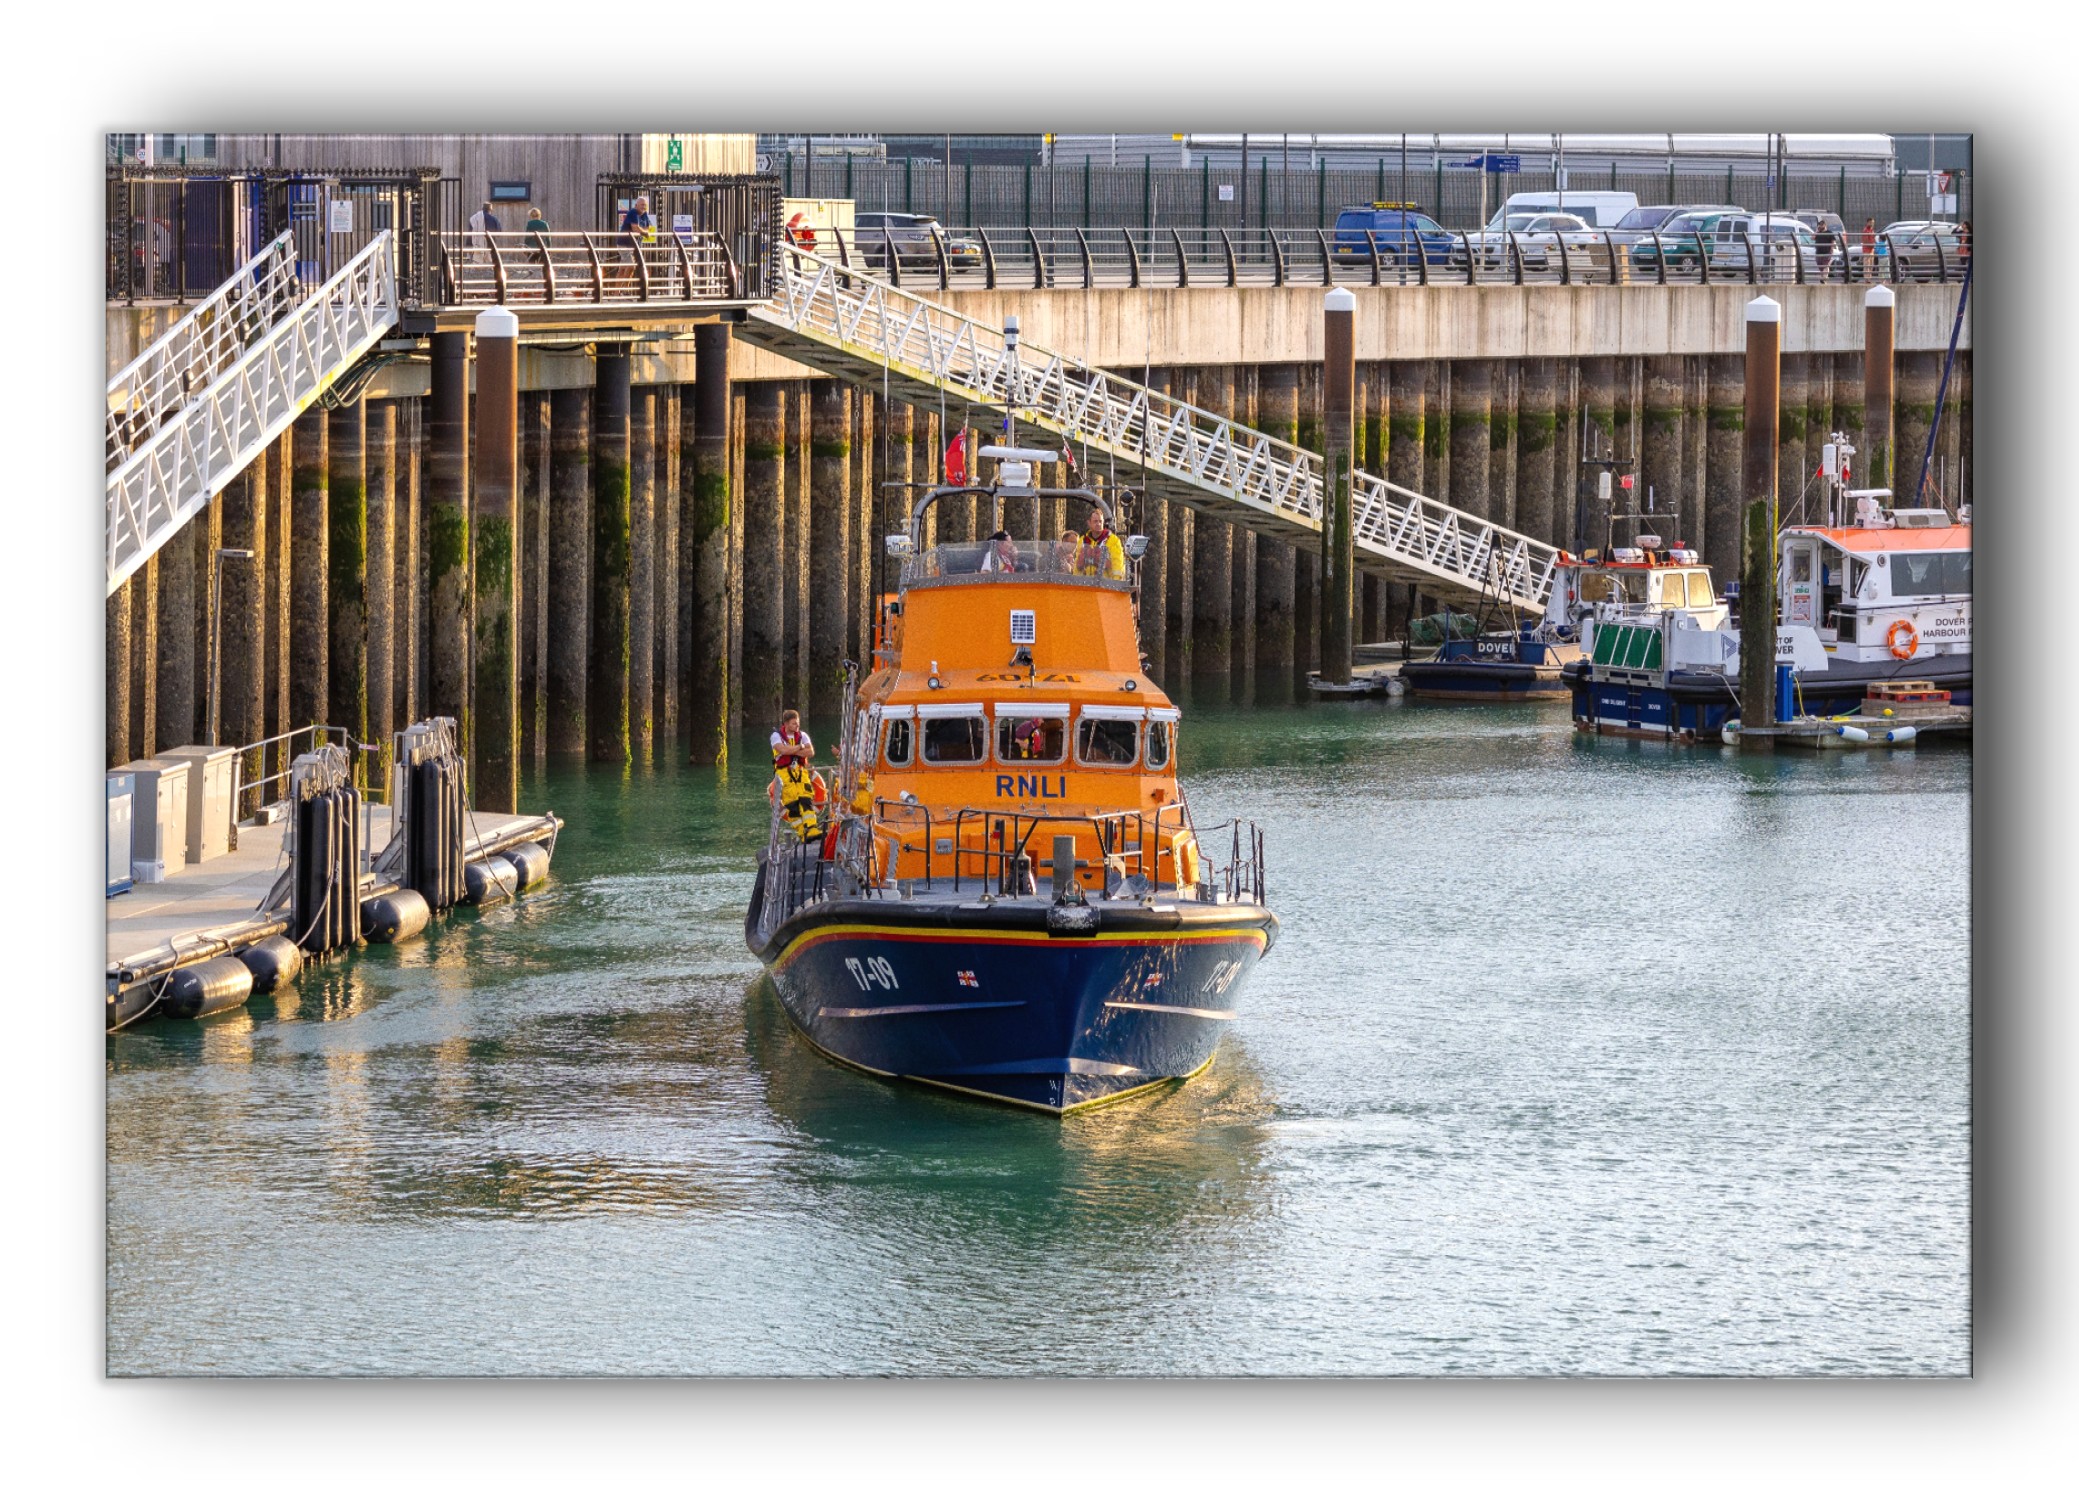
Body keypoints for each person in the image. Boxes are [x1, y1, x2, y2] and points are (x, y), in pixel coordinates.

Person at [1075, 507, 1126, 580]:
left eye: (1100, 521)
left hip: (1105, 585)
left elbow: (1117, 563)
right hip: (1085, 585)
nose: (1098, 524)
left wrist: (1116, 582)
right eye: (1095, 521)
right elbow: (1077, 566)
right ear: (1089, 523)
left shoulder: (1113, 540)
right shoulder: (1082, 540)